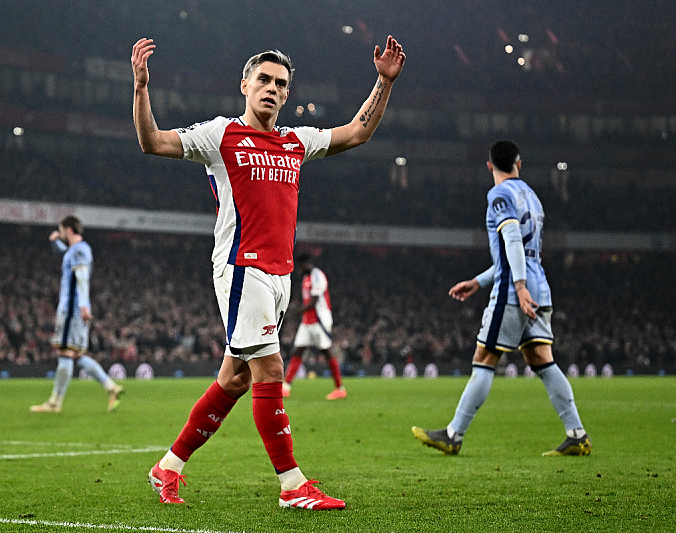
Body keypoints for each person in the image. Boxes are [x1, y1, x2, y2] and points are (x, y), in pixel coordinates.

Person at [132, 35, 404, 508]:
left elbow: (356, 132)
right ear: (245, 85)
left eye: (281, 83)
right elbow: (152, 142)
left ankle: (167, 467)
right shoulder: (220, 135)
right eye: (264, 80)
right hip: (242, 270)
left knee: (235, 379)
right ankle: (292, 484)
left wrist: (383, 82)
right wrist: (141, 88)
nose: (272, 89)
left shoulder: (294, 142)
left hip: (279, 276)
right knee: (270, 370)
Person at [411, 140, 592, 457]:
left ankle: (453, 434)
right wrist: (478, 282)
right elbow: (521, 251)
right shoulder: (533, 198)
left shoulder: (499, 195)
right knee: (541, 359)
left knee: (484, 359)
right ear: (519, 165)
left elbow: (511, 241)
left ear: (489, 165)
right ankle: (577, 434)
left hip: (514, 290)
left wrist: (518, 288)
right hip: (540, 286)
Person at [30, 215, 124, 413]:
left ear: (68, 229)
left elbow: (81, 276)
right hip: (76, 309)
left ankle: (55, 402)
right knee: (77, 355)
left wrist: (82, 306)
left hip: (72, 309)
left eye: (61, 230)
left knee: (64, 353)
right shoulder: (77, 250)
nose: (60, 233)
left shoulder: (79, 250)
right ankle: (110, 386)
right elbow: (66, 256)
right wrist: (54, 241)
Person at [283, 252, 346, 400]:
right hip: (307, 321)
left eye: (300, 266)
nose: (299, 270)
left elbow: (313, 302)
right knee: (298, 350)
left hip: (319, 320)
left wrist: (291, 315)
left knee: (326, 351)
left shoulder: (317, 276)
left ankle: (340, 388)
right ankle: (286, 387)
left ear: (306, 264)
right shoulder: (306, 278)